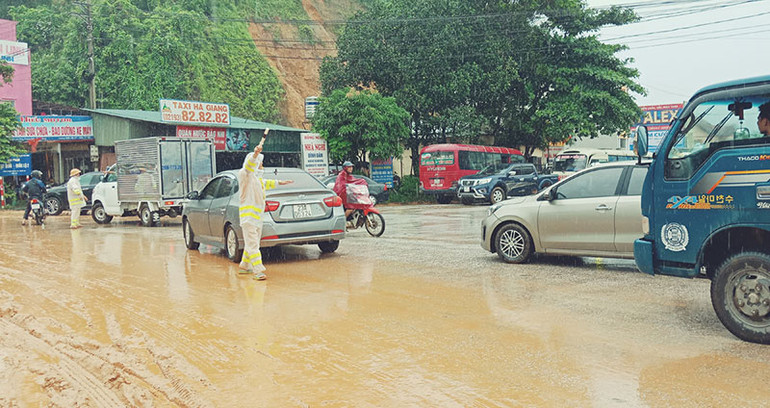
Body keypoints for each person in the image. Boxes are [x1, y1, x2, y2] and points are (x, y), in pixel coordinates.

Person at [237, 144, 292, 280]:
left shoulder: (256, 179)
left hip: (257, 218)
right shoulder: (245, 175)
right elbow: (249, 166)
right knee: (253, 244)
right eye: (260, 162)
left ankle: (244, 266)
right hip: (248, 218)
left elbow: (266, 182)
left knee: (252, 243)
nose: (262, 165)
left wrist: (281, 182)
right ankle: (258, 270)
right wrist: (255, 154)